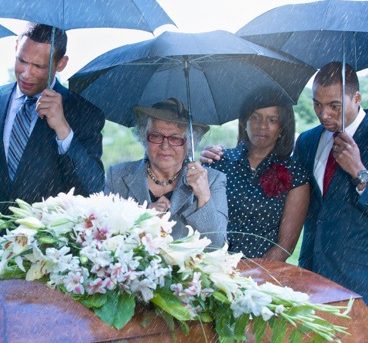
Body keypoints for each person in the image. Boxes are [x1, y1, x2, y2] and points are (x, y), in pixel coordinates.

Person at [0, 22, 105, 205]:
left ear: (61, 63)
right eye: (22, 61)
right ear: (16, 46)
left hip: (43, 230)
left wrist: (63, 130)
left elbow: (92, 189)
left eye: (38, 66)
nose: (26, 74)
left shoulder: (84, 114)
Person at [200, 87, 310, 261]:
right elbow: (202, 221)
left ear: (282, 127)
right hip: (213, 266)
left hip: (261, 276)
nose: (262, 125)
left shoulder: (295, 176)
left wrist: (250, 278)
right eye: (255, 117)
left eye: (272, 120)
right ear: (245, 122)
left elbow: (284, 247)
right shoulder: (219, 163)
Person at [104, 98, 228, 248]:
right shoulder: (117, 176)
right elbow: (104, 237)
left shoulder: (212, 180)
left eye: (175, 138)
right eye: (156, 136)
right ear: (144, 137)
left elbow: (215, 246)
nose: (164, 145)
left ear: (189, 143)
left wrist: (203, 196)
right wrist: (141, 217)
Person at [293, 62, 368, 298]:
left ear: (356, 97)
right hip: (310, 276)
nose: (324, 114)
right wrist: (228, 158)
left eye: (334, 106)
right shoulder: (306, 141)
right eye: (317, 104)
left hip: (359, 283)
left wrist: (359, 172)